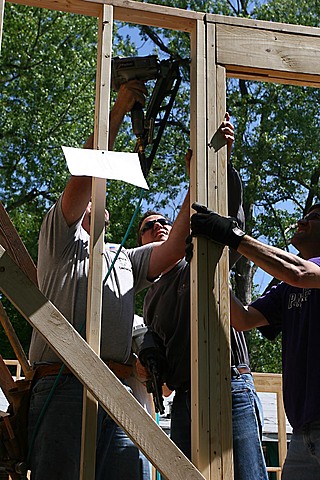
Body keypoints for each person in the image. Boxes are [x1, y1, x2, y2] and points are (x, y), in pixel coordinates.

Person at [27, 79, 191, 480]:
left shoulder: (123, 259)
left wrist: (196, 181)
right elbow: (82, 177)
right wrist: (116, 113)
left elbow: (173, 251)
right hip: (61, 385)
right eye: (88, 196)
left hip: (118, 392)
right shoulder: (59, 239)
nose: (93, 198)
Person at [137, 115, 268, 480]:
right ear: (140, 243)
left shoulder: (196, 260)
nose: (159, 225)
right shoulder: (148, 301)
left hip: (231, 384)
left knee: (246, 475)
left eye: (164, 221)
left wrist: (219, 162)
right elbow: (157, 366)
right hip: (184, 397)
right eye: (149, 225)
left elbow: (226, 219)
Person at [190, 199, 320, 479]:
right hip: (302, 435)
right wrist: (208, 267)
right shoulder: (287, 288)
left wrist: (233, 236)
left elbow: (299, 272)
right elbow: (244, 319)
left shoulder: (304, 274)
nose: (302, 222)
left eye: (314, 217)